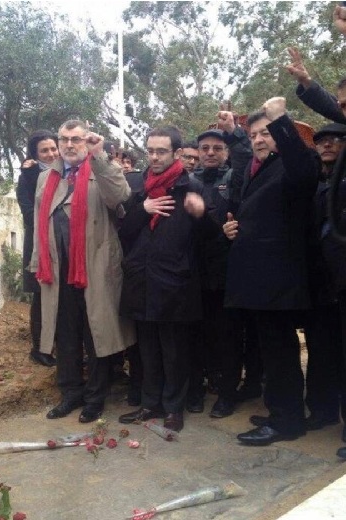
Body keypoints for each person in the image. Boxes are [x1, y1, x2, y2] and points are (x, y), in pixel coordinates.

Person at [223, 97, 319, 446]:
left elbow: (304, 172)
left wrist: (281, 118)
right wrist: (233, 229)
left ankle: (287, 422)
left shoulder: (295, 163)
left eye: (266, 132)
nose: (259, 140)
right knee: (272, 352)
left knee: (280, 354)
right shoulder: (262, 170)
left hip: (277, 281)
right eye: (254, 135)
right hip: (259, 281)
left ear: (282, 134)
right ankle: (281, 411)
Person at [30, 119, 135, 423]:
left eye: (76, 139)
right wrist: (39, 263)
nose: (69, 145)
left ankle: (95, 398)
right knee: (65, 335)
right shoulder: (46, 176)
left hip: (95, 269)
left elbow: (120, 196)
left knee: (95, 334)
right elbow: (39, 223)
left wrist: (100, 156)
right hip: (57, 271)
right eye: (64, 139)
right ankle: (70, 393)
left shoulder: (100, 170)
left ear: (87, 141)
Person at [118, 125, 216, 432]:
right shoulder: (139, 188)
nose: (155, 157)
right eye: (150, 151)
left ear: (176, 153)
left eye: (161, 151)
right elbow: (124, 233)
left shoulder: (192, 188)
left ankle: (174, 408)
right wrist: (143, 210)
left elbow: (212, 241)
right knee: (147, 350)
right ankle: (150, 405)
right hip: (142, 282)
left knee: (174, 352)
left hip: (175, 284)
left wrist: (202, 215)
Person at [186, 127, 254, 418]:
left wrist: (236, 134)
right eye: (205, 148)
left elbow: (245, 159)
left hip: (228, 271)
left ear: (225, 152)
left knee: (228, 336)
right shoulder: (188, 181)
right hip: (194, 271)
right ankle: (196, 391)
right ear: (198, 152)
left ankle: (227, 394)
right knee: (196, 334)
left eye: (217, 147)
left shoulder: (235, 179)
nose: (211, 153)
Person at [303, 123, 346, 436]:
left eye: (335, 140)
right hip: (318, 281)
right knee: (319, 349)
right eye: (322, 141)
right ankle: (322, 410)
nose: (328, 145)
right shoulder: (311, 182)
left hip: (342, 277)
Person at [16, 129, 59, 367]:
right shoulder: (28, 178)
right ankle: (39, 349)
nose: (51, 153)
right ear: (35, 154)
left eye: (54, 148)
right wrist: (31, 175)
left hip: (62, 244)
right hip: (39, 244)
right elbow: (29, 213)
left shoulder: (64, 173)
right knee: (42, 298)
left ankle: (60, 345)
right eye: (45, 150)